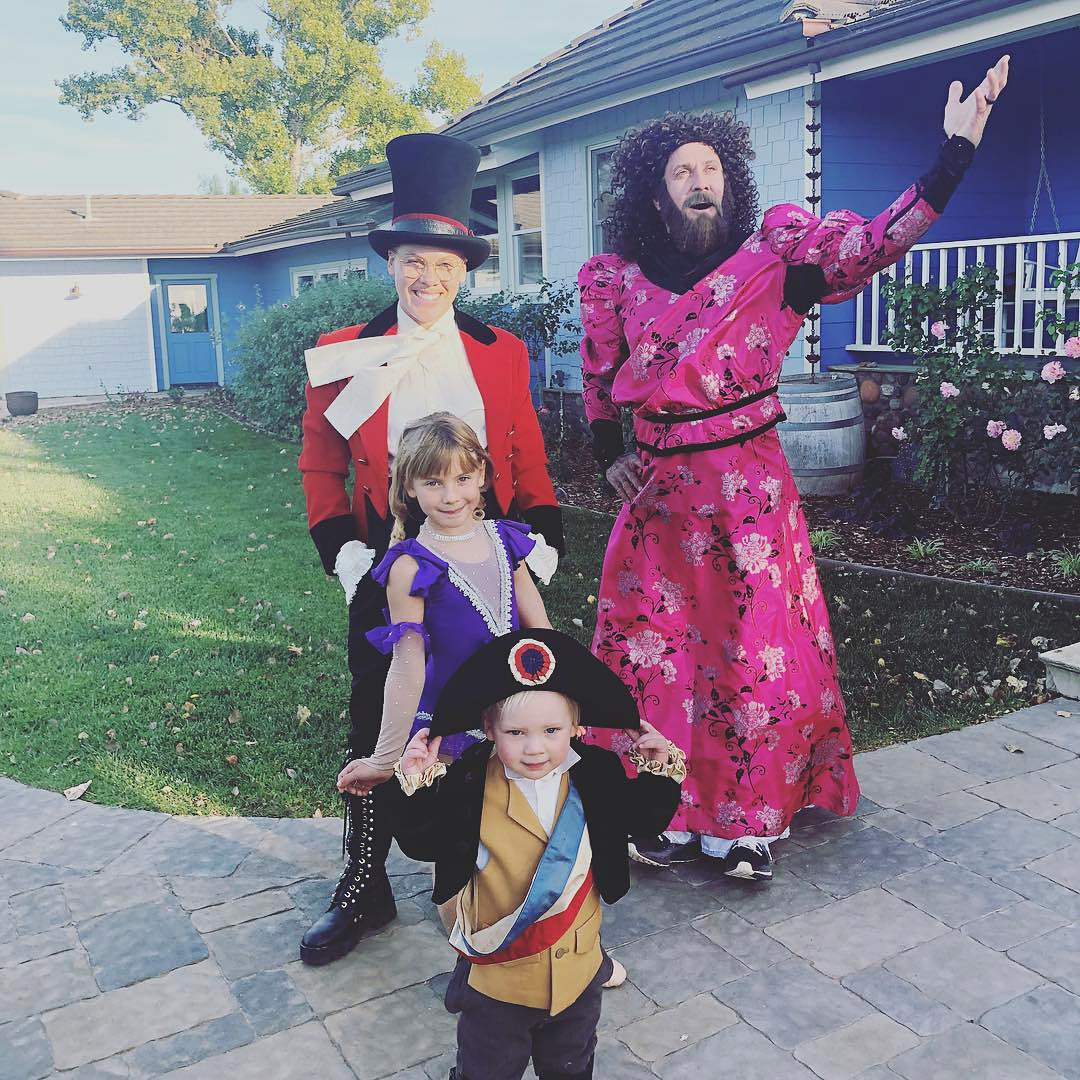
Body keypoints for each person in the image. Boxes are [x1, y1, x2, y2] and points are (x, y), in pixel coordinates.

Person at [579, 59, 1010, 878]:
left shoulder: (775, 255)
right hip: (660, 497)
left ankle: (749, 820)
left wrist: (951, 158)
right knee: (654, 651)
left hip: (749, 494)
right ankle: (663, 805)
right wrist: (609, 456)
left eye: (710, 168)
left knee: (751, 650)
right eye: (681, 171)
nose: (699, 181)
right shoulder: (615, 281)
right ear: (655, 193)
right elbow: (600, 376)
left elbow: (869, 248)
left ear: (729, 180)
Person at [298, 132, 563, 966]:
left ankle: (493, 871)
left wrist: (542, 539)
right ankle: (364, 884)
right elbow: (321, 463)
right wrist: (344, 551)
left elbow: (525, 453)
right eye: (414, 261)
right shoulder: (344, 352)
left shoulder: (502, 352)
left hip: (486, 557)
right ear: (392, 262)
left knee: (495, 709)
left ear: (463, 270)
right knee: (378, 710)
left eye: (444, 265)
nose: (428, 278)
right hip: (392, 560)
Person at [394, 629, 686, 1080]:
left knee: (571, 1068)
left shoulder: (598, 773)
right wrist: (417, 785)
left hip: (578, 974)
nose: (535, 747)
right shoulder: (470, 781)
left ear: (577, 726)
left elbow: (643, 819)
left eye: (552, 731)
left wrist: (658, 769)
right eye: (516, 732)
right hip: (499, 981)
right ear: (489, 729)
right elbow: (423, 843)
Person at [352, 411, 555, 773]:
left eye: (462, 479)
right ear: (409, 485)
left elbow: (542, 634)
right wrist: (384, 759)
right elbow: (407, 668)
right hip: (447, 728)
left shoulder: (507, 541)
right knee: (459, 804)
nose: (450, 496)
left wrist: (561, 705)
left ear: (481, 474)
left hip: (517, 719)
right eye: (433, 482)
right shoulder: (411, 566)